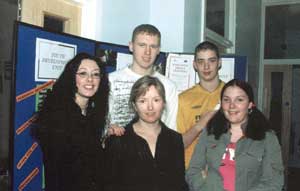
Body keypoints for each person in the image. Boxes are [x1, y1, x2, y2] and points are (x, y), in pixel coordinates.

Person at [186, 79, 284, 191]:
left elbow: (273, 182)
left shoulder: (267, 138)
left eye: (239, 100)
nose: (232, 106)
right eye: (226, 100)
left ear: (250, 105)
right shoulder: (210, 132)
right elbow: (193, 171)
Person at [32, 53, 109, 191]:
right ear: (71, 77)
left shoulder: (91, 113)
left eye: (96, 74)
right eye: (83, 73)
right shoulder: (57, 115)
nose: (90, 79)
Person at [104, 75, 188, 191]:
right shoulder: (118, 140)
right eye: (143, 101)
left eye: (156, 100)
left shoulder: (175, 139)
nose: (150, 107)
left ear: (163, 103)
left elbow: (180, 185)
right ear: (134, 105)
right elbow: (109, 185)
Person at [108, 24, 178, 134]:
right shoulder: (110, 80)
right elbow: (101, 123)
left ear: (158, 50)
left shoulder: (168, 86)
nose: (147, 52)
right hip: (116, 148)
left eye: (153, 46)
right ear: (131, 46)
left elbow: (171, 128)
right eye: (142, 45)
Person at [177, 41, 225, 168]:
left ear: (219, 63)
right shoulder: (183, 99)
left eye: (211, 60)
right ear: (195, 65)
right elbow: (178, 145)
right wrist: (200, 125)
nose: (206, 66)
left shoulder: (233, 95)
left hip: (225, 172)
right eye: (201, 61)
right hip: (193, 173)